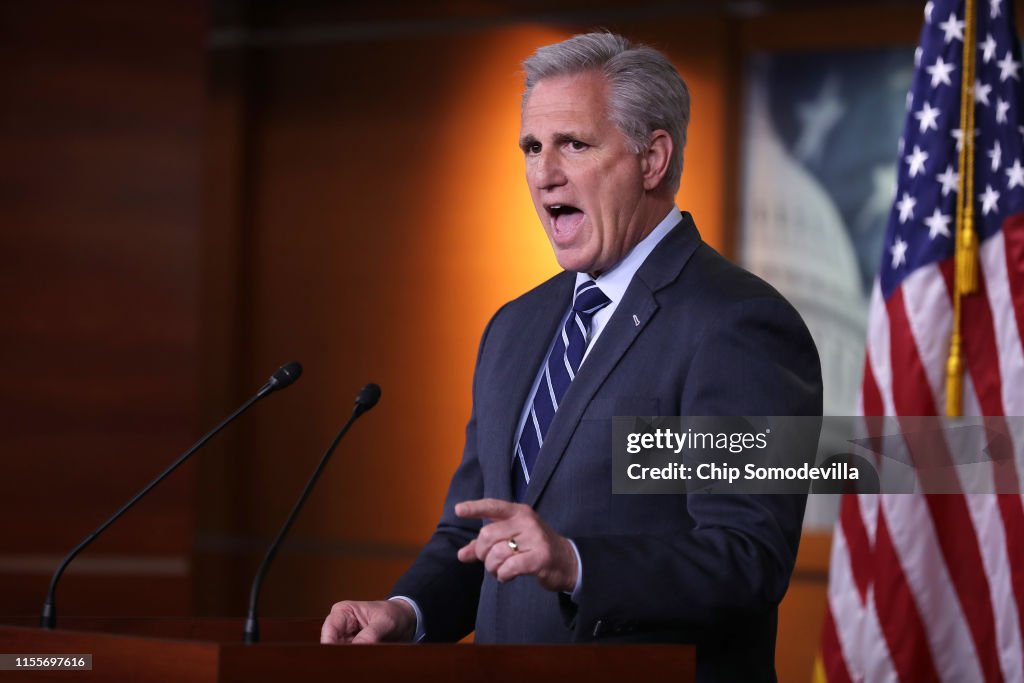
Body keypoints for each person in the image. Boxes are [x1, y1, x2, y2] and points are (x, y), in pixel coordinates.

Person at [321, 32, 822, 682]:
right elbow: (475, 529)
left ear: (652, 159)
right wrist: (407, 610)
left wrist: (576, 561)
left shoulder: (734, 324)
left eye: (574, 145)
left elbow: (744, 557)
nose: (543, 172)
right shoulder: (515, 326)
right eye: (532, 147)